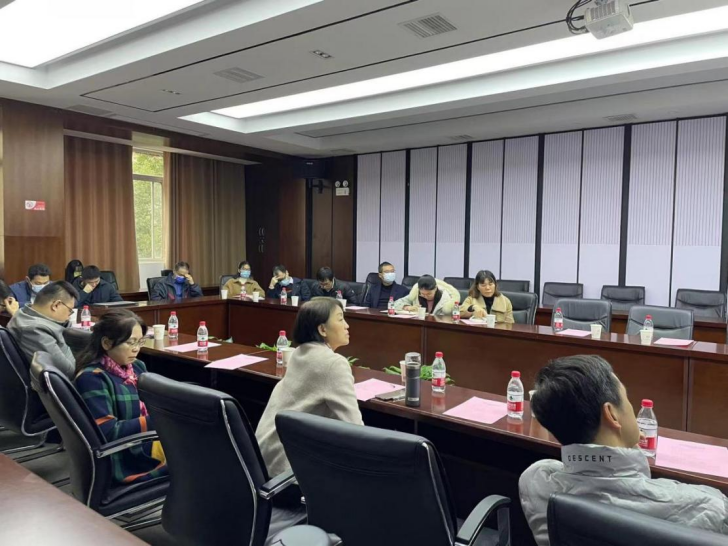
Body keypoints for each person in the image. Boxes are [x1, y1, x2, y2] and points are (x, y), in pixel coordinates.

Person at [519, 355, 728, 545]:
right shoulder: (710, 506)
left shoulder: (537, 482)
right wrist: (630, 449)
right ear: (611, 414)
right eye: (627, 399)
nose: (632, 408)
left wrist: (623, 444)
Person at [256, 298, 363, 478]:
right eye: (340, 319)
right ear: (322, 329)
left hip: (265, 459)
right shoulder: (333, 363)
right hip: (288, 472)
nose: (347, 325)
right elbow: (355, 429)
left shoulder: (299, 353)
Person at [75, 310, 167, 485]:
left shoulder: (136, 366)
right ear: (106, 343)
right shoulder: (92, 378)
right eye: (130, 342)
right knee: (200, 451)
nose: (136, 349)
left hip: (149, 437)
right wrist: (160, 420)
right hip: (129, 454)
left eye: (140, 341)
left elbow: (153, 400)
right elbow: (108, 432)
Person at [7, 281, 78, 378]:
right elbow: (68, 371)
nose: (68, 317)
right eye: (70, 310)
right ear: (56, 305)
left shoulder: (23, 313)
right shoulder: (34, 330)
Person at [393, 275, 458, 316]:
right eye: (423, 294)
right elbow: (394, 304)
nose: (426, 296)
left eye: (429, 294)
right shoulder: (415, 294)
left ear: (435, 288)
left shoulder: (446, 298)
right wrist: (407, 307)